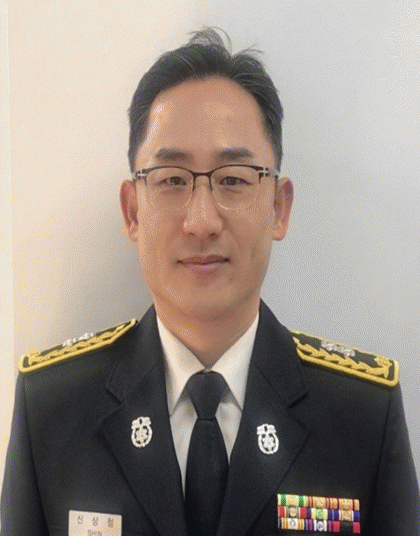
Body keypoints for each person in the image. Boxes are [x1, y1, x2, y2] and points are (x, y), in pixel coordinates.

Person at [1, 28, 419, 536]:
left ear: (279, 207)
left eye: (234, 179)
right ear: (132, 212)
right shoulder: (53, 408)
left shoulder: (362, 415)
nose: (201, 221)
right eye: (172, 180)